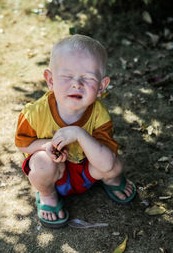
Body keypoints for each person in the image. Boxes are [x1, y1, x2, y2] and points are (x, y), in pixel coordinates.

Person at [15, 34, 136, 228]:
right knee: (40, 162)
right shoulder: (34, 112)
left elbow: (106, 162)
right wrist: (47, 146)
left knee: (114, 165)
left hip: (87, 171)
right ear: (50, 79)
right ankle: (47, 195)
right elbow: (22, 144)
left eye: (87, 78)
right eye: (67, 76)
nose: (76, 84)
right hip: (55, 173)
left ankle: (111, 180)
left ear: (102, 86)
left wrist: (80, 134)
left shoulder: (100, 115)